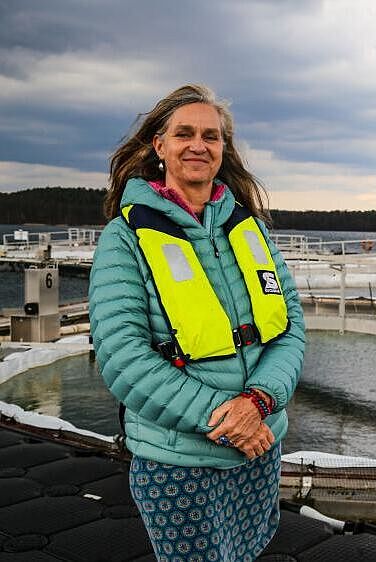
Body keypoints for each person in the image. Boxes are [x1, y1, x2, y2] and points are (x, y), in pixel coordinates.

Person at [89, 83, 305, 561]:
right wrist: (230, 421)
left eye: (211, 136)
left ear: (223, 150)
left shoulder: (251, 231)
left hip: (259, 449)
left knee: (248, 552)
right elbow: (123, 359)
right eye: (184, 133)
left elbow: (289, 328)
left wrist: (258, 401)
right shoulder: (125, 240)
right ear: (158, 146)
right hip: (180, 462)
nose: (198, 145)